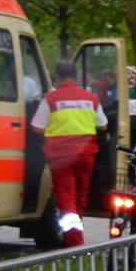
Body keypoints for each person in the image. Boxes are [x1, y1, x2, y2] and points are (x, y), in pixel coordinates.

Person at [29, 60, 107, 247]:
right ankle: (73, 236)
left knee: (66, 200)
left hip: (61, 157)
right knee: (79, 198)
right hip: (86, 156)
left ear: (57, 76)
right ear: (76, 75)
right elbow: (103, 124)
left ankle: (74, 245)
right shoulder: (91, 98)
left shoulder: (51, 99)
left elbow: (36, 128)